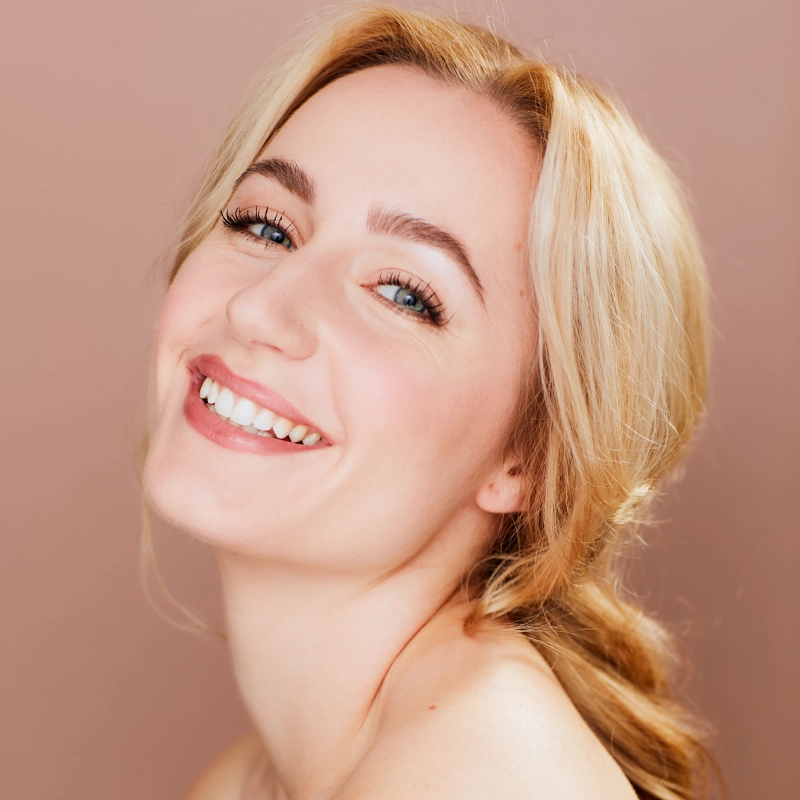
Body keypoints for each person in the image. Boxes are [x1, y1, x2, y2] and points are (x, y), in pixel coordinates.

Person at [142, 4, 717, 799]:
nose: (260, 309)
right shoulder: (245, 783)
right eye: (267, 226)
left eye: (406, 295)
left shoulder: (484, 779)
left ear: (530, 455)